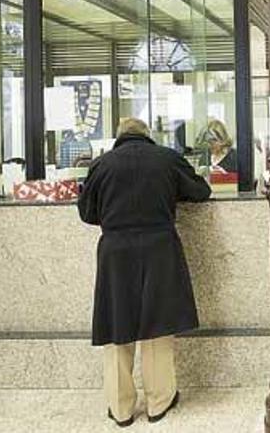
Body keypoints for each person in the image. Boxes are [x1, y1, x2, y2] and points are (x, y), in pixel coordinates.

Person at [78, 117, 211, 427]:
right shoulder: (167, 159)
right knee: (157, 323)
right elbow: (200, 191)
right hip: (159, 248)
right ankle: (158, 402)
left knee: (116, 325)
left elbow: (87, 212)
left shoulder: (101, 165)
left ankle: (121, 407)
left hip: (115, 252)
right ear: (147, 136)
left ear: (119, 137)